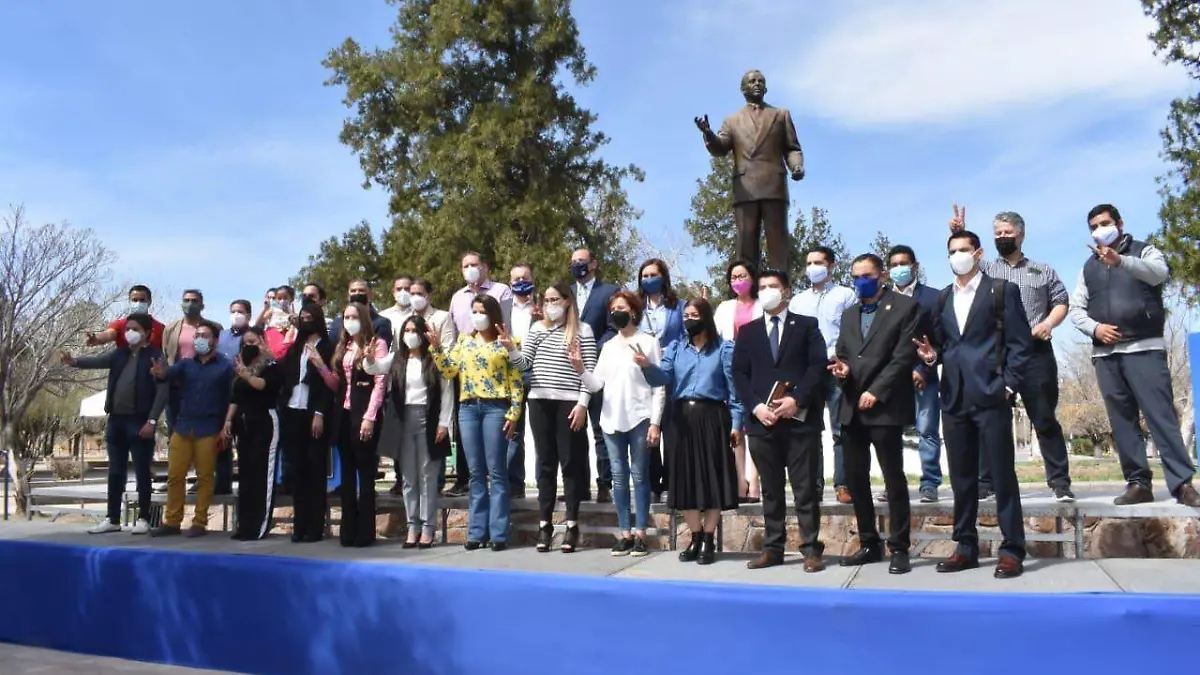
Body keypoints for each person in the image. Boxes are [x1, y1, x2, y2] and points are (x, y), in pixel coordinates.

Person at [916, 229, 1032, 579]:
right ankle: (965, 545)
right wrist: (932, 356)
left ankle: (1012, 549)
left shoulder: (1001, 291)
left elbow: (1020, 343)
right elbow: (943, 345)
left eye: (964, 249)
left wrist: (1008, 386)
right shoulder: (941, 299)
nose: (958, 255)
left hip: (992, 395)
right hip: (953, 397)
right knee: (961, 478)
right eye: (952, 250)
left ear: (978, 253)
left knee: (1002, 475)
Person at [1068, 204, 1200, 506]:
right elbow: (1076, 309)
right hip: (1106, 356)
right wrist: (1095, 328)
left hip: (1144, 348)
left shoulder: (1144, 251)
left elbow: (1158, 274)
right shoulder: (1087, 266)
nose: (1099, 230)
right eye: (1093, 227)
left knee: (1161, 417)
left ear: (1120, 223)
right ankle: (1138, 483)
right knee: (1122, 422)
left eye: (1104, 223)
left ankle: (1182, 484)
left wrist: (1122, 262)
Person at [950, 205, 1075, 501]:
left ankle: (1060, 483)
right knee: (990, 419)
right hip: (995, 355)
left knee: (1044, 418)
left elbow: (1061, 301)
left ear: (1021, 234)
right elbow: (963, 265)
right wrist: (958, 235)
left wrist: (1048, 323)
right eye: (997, 233)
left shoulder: (1041, 270)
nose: (1002, 237)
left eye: (1008, 232)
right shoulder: (987, 270)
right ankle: (987, 482)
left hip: (1034, 353)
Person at [732, 269, 828, 572]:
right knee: (771, 489)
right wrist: (756, 407)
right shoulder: (747, 332)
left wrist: (796, 399)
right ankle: (773, 548)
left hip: (799, 422)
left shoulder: (807, 326)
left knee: (804, 489)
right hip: (763, 424)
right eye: (762, 287)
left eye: (773, 286)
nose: (767, 290)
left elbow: (817, 366)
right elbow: (739, 374)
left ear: (786, 291)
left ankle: (811, 549)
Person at [830, 254, 921, 575]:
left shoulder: (904, 307)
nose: (860, 281)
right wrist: (841, 370)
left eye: (866, 275)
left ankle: (899, 547)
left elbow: (902, 357)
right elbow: (844, 352)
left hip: (885, 406)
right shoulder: (849, 313)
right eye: (855, 276)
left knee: (893, 478)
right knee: (856, 479)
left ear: (881, 275)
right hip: (851, 406)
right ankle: (870, 543)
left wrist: (877, 391)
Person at [642, 298, 743, 566]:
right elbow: (661, 380)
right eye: (685, 315)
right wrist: (645, 365)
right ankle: (695, 536)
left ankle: (709, 538)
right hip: (680, 418)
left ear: (706, 317)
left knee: (712, 480)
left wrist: (736, 423)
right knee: (683, 479)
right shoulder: (676, 348)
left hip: (712, 416)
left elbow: (734, 392)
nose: (688, 319)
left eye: (694, 314)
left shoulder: (723, 348)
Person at [429, 295, 523, 551]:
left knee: (496, 472)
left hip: (496, 407)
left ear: (493, 315)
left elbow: (517, 378)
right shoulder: (464, 342)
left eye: (482, 311)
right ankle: (476, 531)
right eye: (475, 310)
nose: (478, 315)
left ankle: (499, 533)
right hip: (468, 407)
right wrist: (437, 348)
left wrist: (514, 412)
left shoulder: (508, 342)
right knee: (475, 473)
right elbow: (449, 371)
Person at [511, 282, 598, 552]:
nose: (550, 304)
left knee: (570, 463)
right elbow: (524, 363)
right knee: (545, 464)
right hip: (539, 402)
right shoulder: (537, 329)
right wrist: (510, 350)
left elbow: (590, 371)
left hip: (569, 403)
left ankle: (572, 524)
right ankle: (544, 524)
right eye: (546, 299)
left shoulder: (583, 330)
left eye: (555, 299)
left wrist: (583, 404)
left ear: (567, 301)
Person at [62, 313, 166, 536]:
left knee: (141, 472)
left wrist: (152, 420)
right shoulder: (120, 354)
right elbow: (98, 361)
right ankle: (112, 518)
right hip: (116, 421)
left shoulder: (155, 357)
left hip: (140, 422)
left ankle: (144, 518)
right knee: (115, 472)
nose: (129, 332)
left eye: (135, 329)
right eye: (127, 328)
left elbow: (162, 391)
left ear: (147, 333)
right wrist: (74, 362)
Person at [694, 69, 804, 271]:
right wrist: (708, 133)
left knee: (778, 241)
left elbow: (792, 148)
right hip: (745, 188)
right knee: (746, 242)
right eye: (752, 81)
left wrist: (796, 166)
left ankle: (780, 288)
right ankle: (747, 291)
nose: (757, 84)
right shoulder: (732, 120)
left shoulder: (780, 115)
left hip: (774, 185)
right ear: (743, 88)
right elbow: (721, 148)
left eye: (761, 81)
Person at [581, 291, 664, 557]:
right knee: (618, 478)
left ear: (633, 311)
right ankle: (625, 533)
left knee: (640, 476)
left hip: (639, 418)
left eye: (622, 307)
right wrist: (580, 368)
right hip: (611, 420)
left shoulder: (648, 342)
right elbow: (597, 384)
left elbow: (658, 387)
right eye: (613, 308)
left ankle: (641, 533)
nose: (617, 311)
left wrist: (655, 423)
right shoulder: (607, 346)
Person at [367, 315, 453, 548]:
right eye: (407, 330)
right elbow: (374, 367)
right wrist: (368, 357)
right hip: (403, 421)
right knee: (408, 477)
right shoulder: (397, 358)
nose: (411, 335)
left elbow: (447, 390)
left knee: (428, 476)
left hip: (428, 419)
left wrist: (444, 422)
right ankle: (412, 526)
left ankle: (428, 528)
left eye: (415, 330)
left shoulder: (433, 358)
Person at [149, 321, 235, 538]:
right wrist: (160, 373)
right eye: (197, 335)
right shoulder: (186, 364)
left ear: (215, 340)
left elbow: (232, 398)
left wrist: (226, 425)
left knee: (205, 478)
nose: (199, 339)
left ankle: (199, 522)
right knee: (174, 476)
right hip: (183, 426)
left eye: (204, 335)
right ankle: (172, 522)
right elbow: (167, 374)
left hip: (209, 428)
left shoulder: (225, 366)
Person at [789, 246, 857, 504]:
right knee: (809, 431)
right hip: (808, 373)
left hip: (836, 369)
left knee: (841, 430)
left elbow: (851, 333)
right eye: (808, 262)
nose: (812, 267)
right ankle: (813, 487)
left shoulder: (845, 296)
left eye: (818, 262)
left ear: (831, 266)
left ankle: (843, 484)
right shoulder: (797, 301)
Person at [445, 252, 513, 497]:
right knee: (466, 435)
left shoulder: (501, 291)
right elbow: (454, 335)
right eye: (466, 265)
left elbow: (507, 325)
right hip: (466, 369)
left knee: (498, 456)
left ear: (485, 266)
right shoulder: (457, 298)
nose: (471, 269)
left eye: (475, 264)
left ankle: (511, 485)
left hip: (496, 367)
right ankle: (462, 479)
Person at [325, 303, 389, 548]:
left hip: (364, 415)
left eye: (353, 316)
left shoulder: (376, 344)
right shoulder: (344, 346)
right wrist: (321, 368)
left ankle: (365, 532)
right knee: (348, 476)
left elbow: (380, 383)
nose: (349, 321)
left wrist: (370, 417)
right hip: (343, 414)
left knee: (365, 473)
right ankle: (348, 531)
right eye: (346, 317)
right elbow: (337, 384)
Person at [886, 245, 943, 503]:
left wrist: (924, 367)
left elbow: (942, 339)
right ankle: (893, 485)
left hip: (924, 378)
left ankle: (929, 482)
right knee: (889, 433)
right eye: (894, 264)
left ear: (915, 266)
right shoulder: (881, 301)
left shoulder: (933, 298)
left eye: (904, 263)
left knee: (927, 430)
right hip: (891, 380)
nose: (899, 268)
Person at [278, 303, 336, 543]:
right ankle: (299, 526)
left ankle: (315, 527)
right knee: (298, 472)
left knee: (315, 471)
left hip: (315, 413)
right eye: (302, 317)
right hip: (293, 411)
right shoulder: (296, 347)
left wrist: (320, 414)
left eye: (310, 317)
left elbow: (327, 387)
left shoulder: (327, 346)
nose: (306, 320)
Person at [222, 327, 284, 540]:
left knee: (261, 475)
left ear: (262, 342)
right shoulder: (240, 367)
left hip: (264, 422)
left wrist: (244, 374)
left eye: (253, 342)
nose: (249, 346)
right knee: (246, 476)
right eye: (245, 343)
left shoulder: (271, 365)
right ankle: (244, 525)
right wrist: (228, 420)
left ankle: (259, 526)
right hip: (243, 424)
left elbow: (261, 385)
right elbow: (235, 397)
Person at [571, 248, 619, 503]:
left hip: (598, 369)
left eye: (581, 261)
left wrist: (591, 349)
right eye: (573, 261)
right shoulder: (566, 293)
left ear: (593, 263)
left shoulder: (608, 292)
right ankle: (578, 486)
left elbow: (613, 329)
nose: (577, 265)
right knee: (573, 431)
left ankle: (605, 484)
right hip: (569, 373)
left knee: (601, 430)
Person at [713, 259, 763, 503]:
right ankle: (739, 480)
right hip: (730, 368)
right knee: (736, 424)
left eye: (742, 276)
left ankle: (754, 481)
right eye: (733, 277)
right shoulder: (724, 307)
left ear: (752, 278)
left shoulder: (762, 305)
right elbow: (716, 338)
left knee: (753, 423)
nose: (738, 281)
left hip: (757, 367)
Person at [636, 258, 685, 503]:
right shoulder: (636, 308)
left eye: (653, 274)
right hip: (644, 375)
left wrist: (671, 351)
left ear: (663, 277)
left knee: (672, 429)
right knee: (649, 429)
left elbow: (687, 336)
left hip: (671, 373)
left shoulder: (678, 306)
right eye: (644, 276)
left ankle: (673, 483)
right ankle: (654, 483)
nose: (648, 279)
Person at [506, 263, 540, 498]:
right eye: (516, 278)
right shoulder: (501, 307)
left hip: (538, 374)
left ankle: (543, 484)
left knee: (541, 433)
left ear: (533, 280)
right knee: (513, 432)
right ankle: (514, 485)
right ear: (510, 283)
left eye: (525, 277)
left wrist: (542, 320)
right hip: (511, 375)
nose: (520, 281)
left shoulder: (543, 307)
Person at [86, 284, 165, 350]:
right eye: (134, 300)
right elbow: (108, 334)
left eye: (142, 300)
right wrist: (97, 338)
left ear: (149, 302)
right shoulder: (120, 324)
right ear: (129, 301)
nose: (138, 303)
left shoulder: (161, 328)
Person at [329, 279, 394, 348]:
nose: (357, 293)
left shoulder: (381, 323)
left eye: (361, 290)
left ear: (370, 295)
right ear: (348, 296)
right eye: (353, 291)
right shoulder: (337, 323)